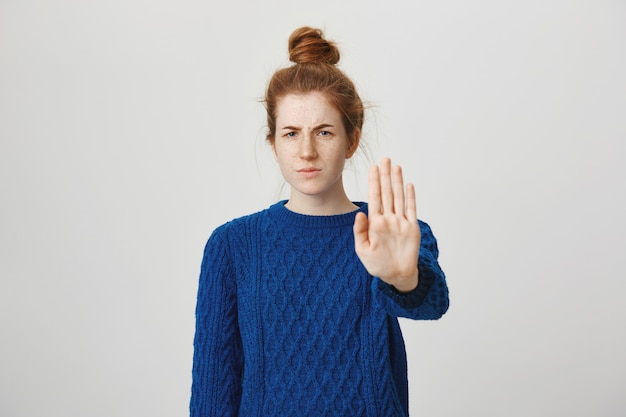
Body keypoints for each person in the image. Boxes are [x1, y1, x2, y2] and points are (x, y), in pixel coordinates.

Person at [190, 26, 449, 417]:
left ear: (351, 139)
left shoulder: (388, 230)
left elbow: (432, 303)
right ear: (273, 143)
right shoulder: (232, 245)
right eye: (291, 133)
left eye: (324, 132)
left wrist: (403, 278)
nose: (306, 151)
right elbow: (213, 388)